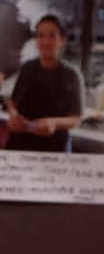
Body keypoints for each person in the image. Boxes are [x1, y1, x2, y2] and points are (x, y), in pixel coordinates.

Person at [5, 12, 88, 155]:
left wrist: (53, 122)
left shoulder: (72, 74)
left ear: (62, 40)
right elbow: (13, 103)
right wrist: (13, 116)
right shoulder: (27, 68)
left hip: (54, 146)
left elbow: (76, 119)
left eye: (52, 35)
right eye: (41, 35)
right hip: (20, 142)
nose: (45, 41)